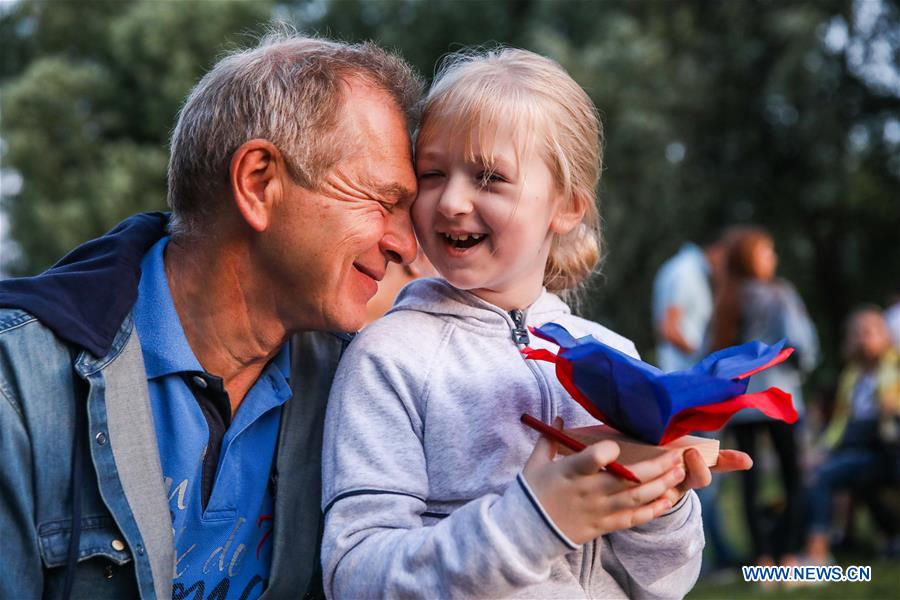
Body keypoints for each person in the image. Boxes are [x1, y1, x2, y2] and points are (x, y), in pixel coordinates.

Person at [0, 32, 422, 599]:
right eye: (383, 201)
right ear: (258, 183)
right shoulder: (17, 389)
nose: (405, 245)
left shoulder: (358, 388)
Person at [321, 48, 751, 598]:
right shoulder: (387, 357)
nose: (451, 200)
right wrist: (533, 521)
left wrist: (660, 506)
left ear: (566, 207)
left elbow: (662, 584)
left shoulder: (612, 357)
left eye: (489, 177)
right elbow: (354, 575)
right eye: (431, 173)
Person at [709, 226, 819, 568]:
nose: (774, 257)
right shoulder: (779, 294)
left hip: (742, 403)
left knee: (750, 480)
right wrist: (803, 368)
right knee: (792, 474)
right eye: (768, 251)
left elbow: (711, 353)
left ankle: (761, 559)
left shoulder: (725, 301)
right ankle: (788, 552)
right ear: (752, 258)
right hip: (779, 397)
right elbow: (801, 341)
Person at [806, 307, 900, 562]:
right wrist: (822, 451)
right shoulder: (852, 375)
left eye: (869, 332)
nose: (862, 339)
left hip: (892, 447)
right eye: (857, 333)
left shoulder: (896, 366)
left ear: (884, 335)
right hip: (867, 451)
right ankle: (818, 550)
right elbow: (840, 422)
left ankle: (891, 538)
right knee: (824, 475)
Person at [652, 237, 725, 372]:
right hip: (678, 372)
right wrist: (703, 359)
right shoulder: (686, 272)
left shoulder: (692, 271)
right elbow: (668, 329)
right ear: (718, 251)